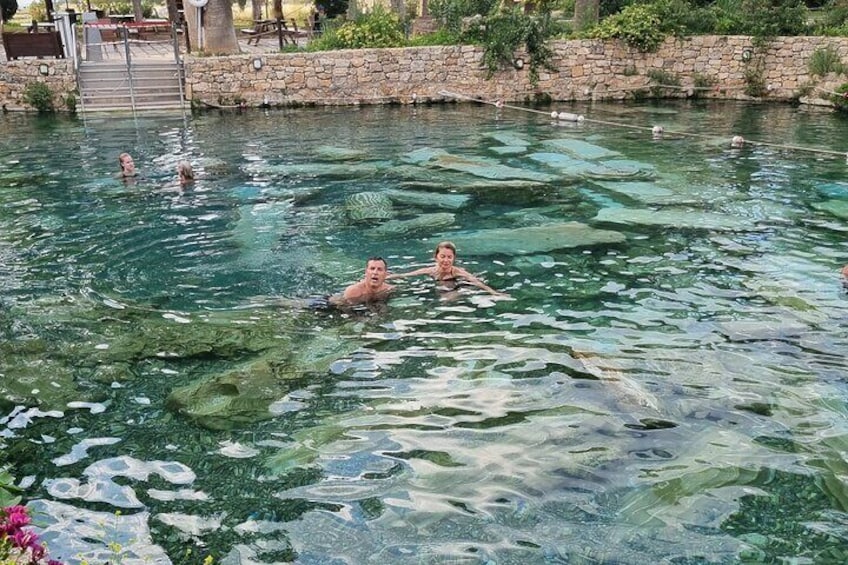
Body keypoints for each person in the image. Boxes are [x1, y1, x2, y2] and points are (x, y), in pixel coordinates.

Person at [388, 241, 508, 297]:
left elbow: (477, 282)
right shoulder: (430, 270)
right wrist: (388, 277)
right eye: (442, 256)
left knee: (447, 300)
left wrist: (494, 293)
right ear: (436, 257)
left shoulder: (459, 272)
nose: (446, 260)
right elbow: (407, 275)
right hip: (439, 282)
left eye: (449, 257)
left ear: (454, 258)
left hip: (456, 283)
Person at [324, 256, 395, 308]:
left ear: (385, 274)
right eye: (372, 268)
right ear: (366, 272)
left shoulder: (389, 289)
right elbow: (345, 309)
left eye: (379, 269)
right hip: (331, 304)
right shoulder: (353, 291)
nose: (375, 272)